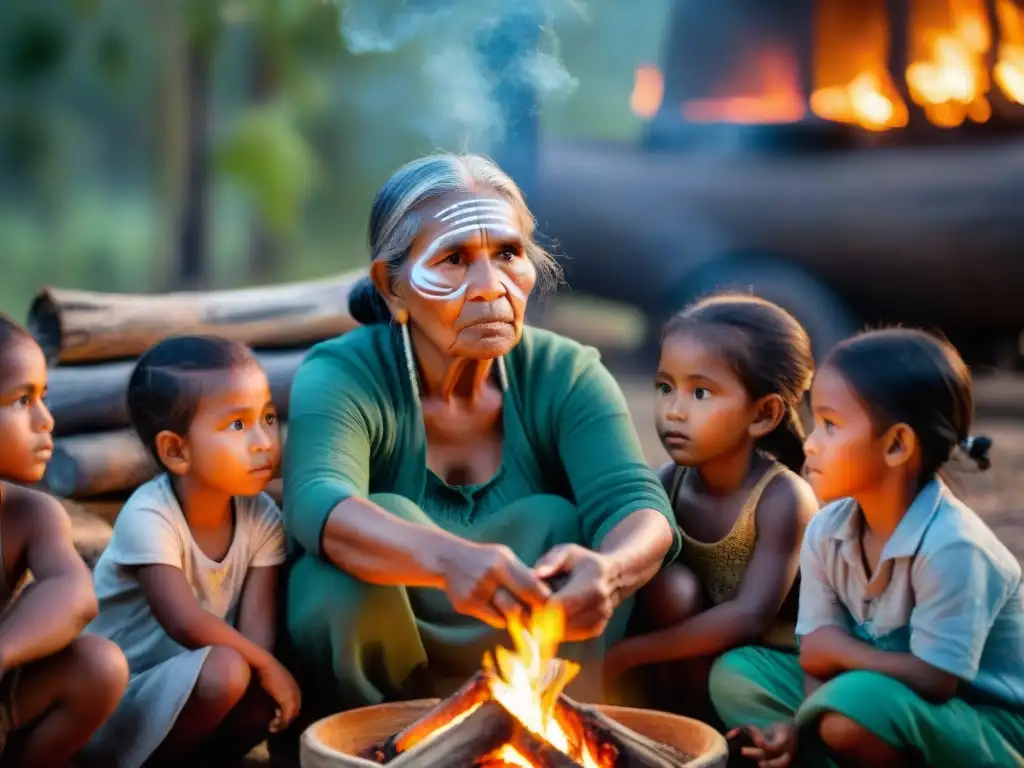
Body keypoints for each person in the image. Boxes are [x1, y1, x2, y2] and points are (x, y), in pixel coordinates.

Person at [281, 153, 681, 718]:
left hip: (533, 649)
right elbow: (318, 501)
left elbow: (637, 504)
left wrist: (611, 573)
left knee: (560, 524)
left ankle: (537, 726)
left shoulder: (566, 372)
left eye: (509, 254)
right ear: (391, 288)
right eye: (453, 260)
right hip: (387, 674)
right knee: (352, 564)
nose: (490, 287)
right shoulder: (344, 373)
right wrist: (448, 561)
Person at [709, 328, 1024, 768]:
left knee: (853, 706)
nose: (812, 442)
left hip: (980, 723)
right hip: (864, 696)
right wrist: (799, 723)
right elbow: (815, 659)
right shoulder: (827, 529)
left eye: (831, 426)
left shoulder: (954, 548)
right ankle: (812, 747)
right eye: (816, 422)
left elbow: (936, 680)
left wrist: (839, 651)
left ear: (897, 445)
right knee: (737, 675)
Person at [83, 335, 300, 768]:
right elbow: (183, 621)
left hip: (197, 697)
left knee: (261, 696)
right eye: (238, 425)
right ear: (176, 450)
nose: (263, 441)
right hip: (113, 702)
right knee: (231, 670)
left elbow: (258, 638)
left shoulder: (260, 516)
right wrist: (268, 667)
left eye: (268, 417)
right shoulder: (150, 514)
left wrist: (268, 670)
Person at [602, 295, 818, 719]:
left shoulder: (782, 499)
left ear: (764, 414)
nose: (674, 411)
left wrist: (629, 654)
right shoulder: (670, 482)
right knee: (668, 585)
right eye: (666, 388)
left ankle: (712, 734)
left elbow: (749, 617)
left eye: (700, 392)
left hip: (755, 669)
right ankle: (670, 724)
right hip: (678, 666)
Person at [0, 315, 128, 768]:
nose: (45, 420)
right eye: (21, 400)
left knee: (99, 666)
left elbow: (74, 595)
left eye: (44, 397)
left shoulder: (27, 513)